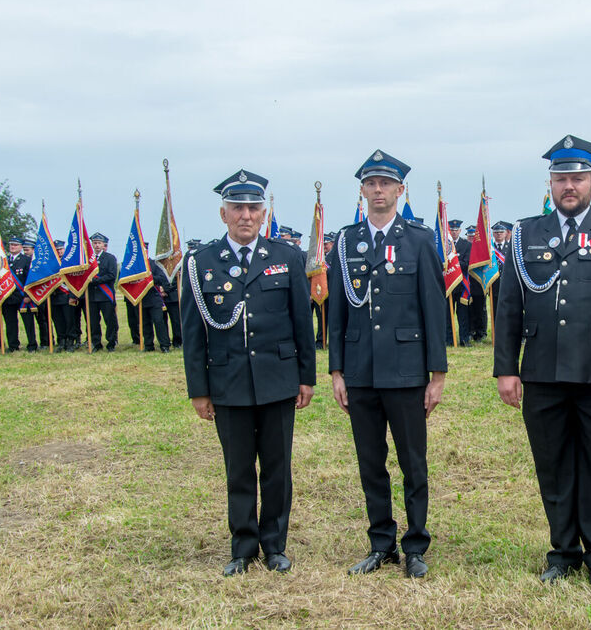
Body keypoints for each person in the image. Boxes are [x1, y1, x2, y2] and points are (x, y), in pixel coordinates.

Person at [494, 135, 591, 591]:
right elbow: (509, 307)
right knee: (553, 464)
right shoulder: (526, 234)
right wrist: (507, 368)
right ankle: (563, 551)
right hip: (542, 371)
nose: (569, 185)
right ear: (550, 183)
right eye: (561, 178)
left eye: (577, 178)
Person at [180, 168, 316, 576]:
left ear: (264, 212)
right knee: (238, 469)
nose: (245, 215)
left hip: (277, 380)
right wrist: (199, 390)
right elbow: (193, 333)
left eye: (253, 208)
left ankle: (274, 545)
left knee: (277, 468)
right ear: (223, 214)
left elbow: (301, 324)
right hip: (228, 382)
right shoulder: (201, 263)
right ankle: (242, 547)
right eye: (236, 207)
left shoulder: (287, 258)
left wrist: (305, 377)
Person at [327, 149, 447, 579]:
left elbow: (434, 310)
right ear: (362, 190)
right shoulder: (345, 242)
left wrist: (438, 375)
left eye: (386, 184)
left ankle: (415, 544)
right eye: (371, 184)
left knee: (413, 461)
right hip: (360, 372)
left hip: (406, 371)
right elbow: (336, 311)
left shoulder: (418, 240)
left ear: (400, 190)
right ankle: (382, 543)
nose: (379, 191)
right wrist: (337, 371)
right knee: (370, 461)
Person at [87, 233, 119, 352]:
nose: (97, 245)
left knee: (110, 320)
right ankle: (96, 343)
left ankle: (111, 342)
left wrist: (96, 281)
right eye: (95, 243)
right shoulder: (88, 259)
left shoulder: (110, 258)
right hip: (92, 296)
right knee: (93, 322)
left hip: (105, 295)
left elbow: (112, 275)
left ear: (103, 244)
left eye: (99, 243)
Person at [446, 220, 471, 346]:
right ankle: (449, 340)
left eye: (456, 230)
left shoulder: (466, 245)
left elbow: (467, 264)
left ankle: (464, 339)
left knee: (463, 315)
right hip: (448, 286)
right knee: (447, 315)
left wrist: (453, 263)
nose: (454, 232)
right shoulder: (445, 246)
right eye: (452, 230)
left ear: (460, 231)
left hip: (462, 286)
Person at [465, 225, 488, 341]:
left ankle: (481, 332)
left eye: (473, 236)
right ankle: (470, 330)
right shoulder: (464, 247)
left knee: (480, 309)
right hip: (466, 284)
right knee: (468, 309)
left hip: (479, 283)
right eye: (469, 236)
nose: (471, 239)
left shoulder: (482, 249)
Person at [3, 236, 26, 351]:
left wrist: (27, 295)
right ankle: (13, 345)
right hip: (7, 297)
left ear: (21, 247)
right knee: (10, 323)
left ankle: (32, 344)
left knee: (28, 323)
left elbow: (28, 279)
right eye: (11, 244)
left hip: (22, 297)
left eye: (15, 245)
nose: (12, 247)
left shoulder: (26, 259)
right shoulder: (4, 261)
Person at [313, 232, 334, 349]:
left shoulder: (335, 256)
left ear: (332, 243)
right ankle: (321, 341)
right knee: (321, 318)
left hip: (332, 292)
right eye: (323, 244)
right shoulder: (318, 258)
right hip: (320, 292)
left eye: (326, 244)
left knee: (334, 319)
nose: (324, 247)